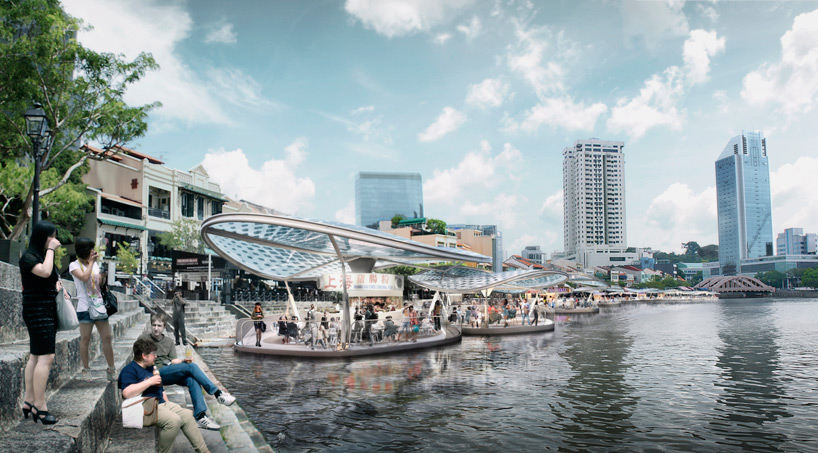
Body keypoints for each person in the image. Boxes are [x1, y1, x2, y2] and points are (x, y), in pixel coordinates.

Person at [140, 313, 235, 431]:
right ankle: (218, 394)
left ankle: (200, 416)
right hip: (153, 373)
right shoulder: (144, 339)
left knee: (192, 379)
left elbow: (173, 360)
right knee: (191, 367)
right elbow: (139, 360)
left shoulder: (169, 341)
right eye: (154, 325)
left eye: (159, 325)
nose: (156, 328)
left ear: (164, 326)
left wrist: (182, 360)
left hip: (167, 372)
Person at [119, 337, 211, 453]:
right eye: (153, 354)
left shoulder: (150, 367)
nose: (156, 356)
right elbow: (126, 393)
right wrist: (150, 381)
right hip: (143, 407)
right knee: (173, 421)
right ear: (144, 355)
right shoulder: (130, 370)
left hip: (159, 404)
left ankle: (204, 451)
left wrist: (167, 403)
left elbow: (160, 390)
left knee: (187, 415)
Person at [19, 221, 68, 425]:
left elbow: (52, 277)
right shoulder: (29, 257)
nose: (54, 240)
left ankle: (29, 401)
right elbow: (45, 272)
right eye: (51, 236)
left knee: (35, 356)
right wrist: (50, 250)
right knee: (45, 357)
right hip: (37, 311)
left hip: (45, 310)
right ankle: (41, 406)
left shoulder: (41, 256)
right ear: (42, 237)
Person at [69, 237, 116, 381]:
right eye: (90, 248)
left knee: (107, 337)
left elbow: (97, 282)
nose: (92, 251)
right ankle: (86, 369)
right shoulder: (74, 265)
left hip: (99, 305)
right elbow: (84, 277)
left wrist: (102, 278)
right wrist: (91, 263)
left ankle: (111, 369)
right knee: (85, 338)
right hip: (84, 306)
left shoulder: (94, 264)